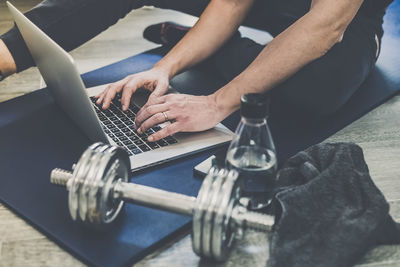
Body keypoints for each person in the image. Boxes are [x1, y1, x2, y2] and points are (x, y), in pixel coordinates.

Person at [0, 0, 393, 142]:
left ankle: (203, 44)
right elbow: (231, 2)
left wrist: (217, 103)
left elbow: (327, 26)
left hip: (348, 20)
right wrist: (164, 67)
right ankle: (4, 55)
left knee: (317, 90)